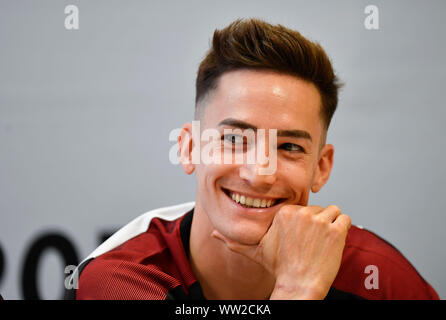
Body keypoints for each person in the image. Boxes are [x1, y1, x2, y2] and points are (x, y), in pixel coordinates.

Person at [67, 18, 439, 300]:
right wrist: (297, 289)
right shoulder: (122, 278)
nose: (259, 174)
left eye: (290, 147)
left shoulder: (378, 276)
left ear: (321, 167)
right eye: (233, 139)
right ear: (189, 148)